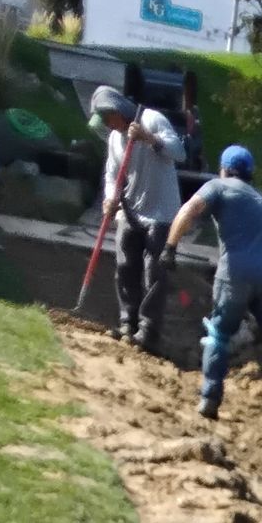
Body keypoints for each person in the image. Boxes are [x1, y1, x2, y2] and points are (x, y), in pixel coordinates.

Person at [156, 145, 262, 436]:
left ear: (224, 169)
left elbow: (190, 209)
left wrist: (170, 246)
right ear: (250, 173)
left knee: (218, 335)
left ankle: (209, 398)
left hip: (235, 274)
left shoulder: (218, 186)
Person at [88, 84, 184, 353]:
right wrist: (110, 197)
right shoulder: (114, 138)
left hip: (161, 212)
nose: (108, 125)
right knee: (125, 266)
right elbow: (111, 174)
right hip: (131, 210)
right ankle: (127, 323)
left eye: (109, 119)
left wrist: (149, 139)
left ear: (118, 110)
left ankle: (148, 331)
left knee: (154, 272)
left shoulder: (152, 119)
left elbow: (179, 152)